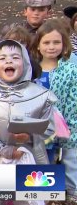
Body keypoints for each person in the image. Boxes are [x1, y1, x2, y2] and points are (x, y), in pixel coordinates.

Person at [0, 39, 57, 166]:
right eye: (2, 58)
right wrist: (2, 149)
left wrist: (30, 137)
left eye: (15, 57)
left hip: (34, 160)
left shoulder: (42, 96)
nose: (9, 61)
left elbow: (52, 129)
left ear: (25, 63)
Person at [30, 20, 77, 203]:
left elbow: (74, 100)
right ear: (38, 45)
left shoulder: (71, 70)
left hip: (67, 125)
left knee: (70, 160)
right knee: (44, 160)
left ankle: (71, 193)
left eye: (56, 42)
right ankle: (46, 195)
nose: (51, 47)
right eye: (46, 42)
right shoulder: (32, 70)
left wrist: (72, 126)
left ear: (64, 45)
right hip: (41, 129)